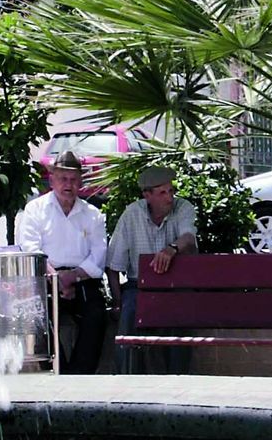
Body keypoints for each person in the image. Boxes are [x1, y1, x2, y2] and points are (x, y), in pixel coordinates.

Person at [19, 151, 109, 374]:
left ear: (80, 182)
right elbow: (30, 249)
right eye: (62, 179)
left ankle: (79, 377)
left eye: (73, 179)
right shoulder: (35, 210)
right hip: (46, 278)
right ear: (52, 180)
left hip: (82, 278)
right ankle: (57, 372)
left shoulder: (93, 214)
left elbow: (99, 253)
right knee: (37, 317)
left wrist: (73, 277)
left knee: (96, 315)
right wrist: (56, 279)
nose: (68, 185)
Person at [106, 166, 199, 374]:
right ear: (147, 195)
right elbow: (114, 264)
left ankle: (178, 378)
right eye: (162, 193)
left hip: (176, 286)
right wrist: (117, 301)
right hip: (139, 286)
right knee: (129, 315)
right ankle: (126, 379)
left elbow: (188, 237)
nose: (169, 198)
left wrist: (171, 249)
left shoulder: (183, 207)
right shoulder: (132, 214)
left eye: (171, 191)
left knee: (180, 315)